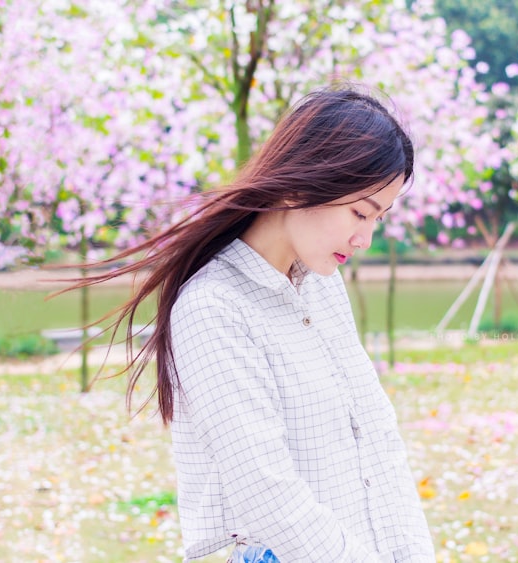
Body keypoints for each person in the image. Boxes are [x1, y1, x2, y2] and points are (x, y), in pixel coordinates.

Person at [81, 86, 435, 562]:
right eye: (359, 213)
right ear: (298, 186)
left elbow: (377, 440)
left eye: (378, 219)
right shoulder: (213, 308)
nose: (365, 238)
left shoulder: (322, 285)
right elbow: (266, 492)